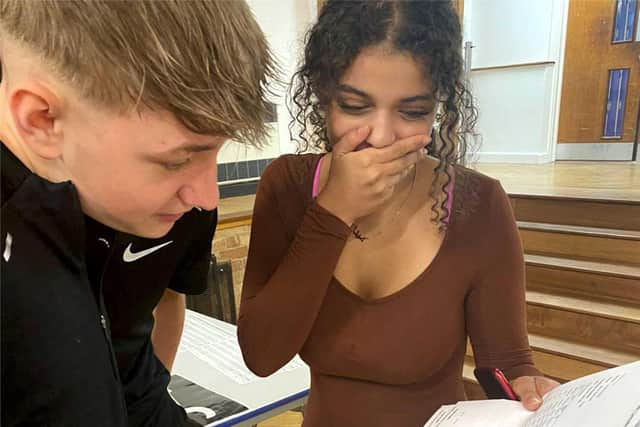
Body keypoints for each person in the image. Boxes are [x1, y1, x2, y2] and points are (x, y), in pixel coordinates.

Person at [237, 1, 559, 426]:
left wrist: (528, 386)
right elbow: (261, 355)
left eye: (413, 112)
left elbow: (505, 362)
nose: (382, 136)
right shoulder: (287, 187)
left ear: (438, 107)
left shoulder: (478, 205)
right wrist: (332, 211)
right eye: (354, 106)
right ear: (323, 96)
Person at [0, 1, 275, 426]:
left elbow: (135, 381)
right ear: (43, 119)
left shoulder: (159, 208)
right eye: (175, 161)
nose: (207, 197)